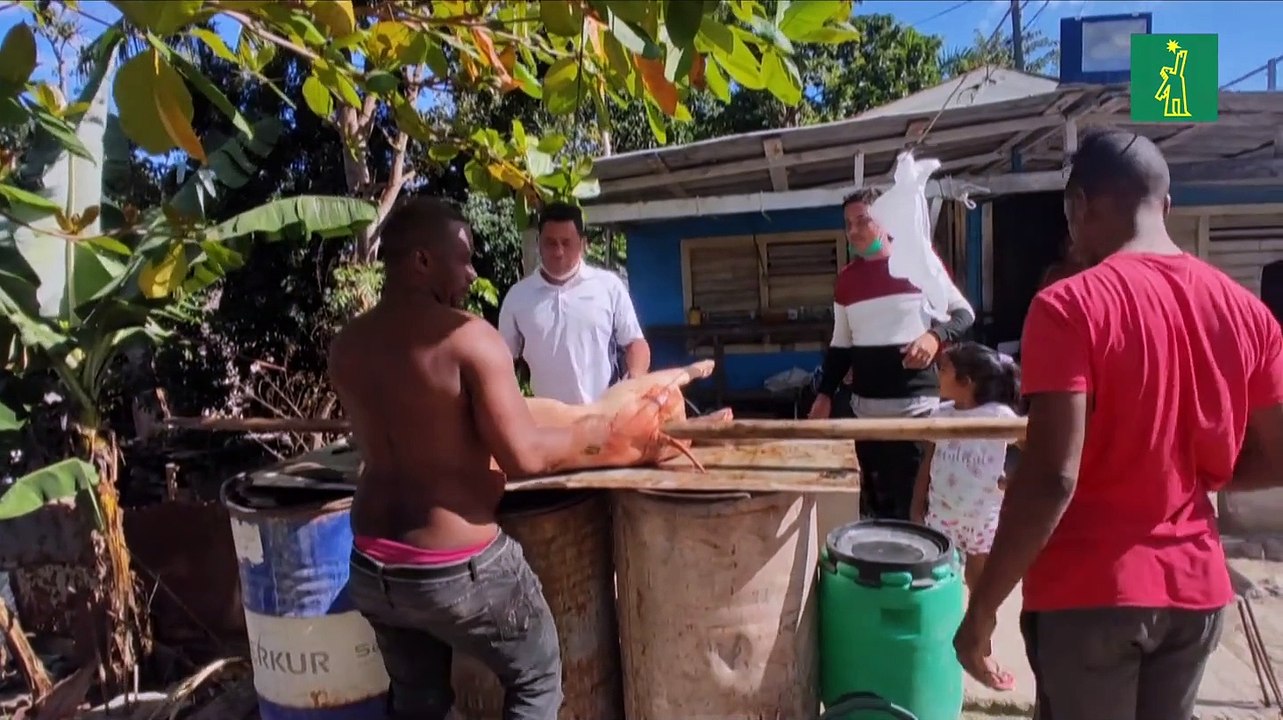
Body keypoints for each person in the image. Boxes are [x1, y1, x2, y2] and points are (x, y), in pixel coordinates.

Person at [954, 130, 1283, 720]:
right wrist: (1185, 477)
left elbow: (1054, 476)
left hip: (1090, 596)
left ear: (1080, 205)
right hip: (1195, 592)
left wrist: (981, 613)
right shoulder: (1247, 313)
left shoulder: (1069, 306)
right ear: (1167, 205)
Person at [328, 196, 666, 720]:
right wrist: (606, 439)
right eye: (461, 258)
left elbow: (426, 431)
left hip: (372, 565)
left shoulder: (347, 344)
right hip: (455, 568)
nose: (470, 272)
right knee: (536, 680)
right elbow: (525, 454)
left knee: (419, 698)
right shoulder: (469, 337)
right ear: (421, 260)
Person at [808, 188, 976, 521]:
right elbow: (841, 344)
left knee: (915, 506)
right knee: (875, 509)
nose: (853, 231)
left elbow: (963, 313)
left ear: (885, 221)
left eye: (863, 221)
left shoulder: (919, 263)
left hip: (916, 417)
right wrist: (824, 394)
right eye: (848, 224)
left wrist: (934, 336)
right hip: (866, 415)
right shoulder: (846, 281)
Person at [498, 202, 651, 404]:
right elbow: (502, 361)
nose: (559, 251)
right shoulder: (518, 297)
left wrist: (634, 381)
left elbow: (635, 343)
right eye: (551, 243)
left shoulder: (608, 287)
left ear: (583, 244)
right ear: (538, 242)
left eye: (566, 242)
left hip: (604, 414)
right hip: (549, 421)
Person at [910, 342, 1022, 597]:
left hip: (981, 518)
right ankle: (948, 632)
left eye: (943, 370)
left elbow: (1032, 449)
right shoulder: (940, 415)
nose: (937, 375)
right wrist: (916, 508)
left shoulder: (999, 417)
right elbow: (928, 461)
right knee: (939, 586)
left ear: (966, 381)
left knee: (980, 588)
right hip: (941, 515)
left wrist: (1012, 478)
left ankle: (980, 634)